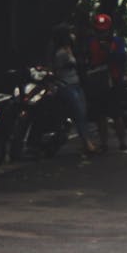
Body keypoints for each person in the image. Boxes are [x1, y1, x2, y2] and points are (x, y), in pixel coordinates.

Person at [51, 24, 99, 156]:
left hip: (75, 84)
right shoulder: (61, 53)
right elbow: (56, 71)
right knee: (79, 115)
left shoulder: (70, 49)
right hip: (66, 85)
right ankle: (87, 143)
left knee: (82, 115)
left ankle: (86, 142)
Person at [85, 13, 127, 152]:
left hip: (113, 83)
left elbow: (122, 59)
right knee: (100, 115)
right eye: (99, 30)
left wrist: (109, 52)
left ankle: (122, 142)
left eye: (104, 30)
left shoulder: (117, 42)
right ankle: (104, 143)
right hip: (98, 83)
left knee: (116, 114)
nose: (102, 33)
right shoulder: (91, 43)